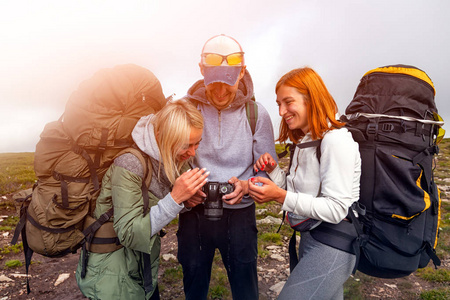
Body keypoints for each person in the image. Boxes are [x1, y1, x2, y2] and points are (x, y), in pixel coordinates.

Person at [176, 34, 278, 300]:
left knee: (245, 288)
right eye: (213, 84)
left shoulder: (257, 114)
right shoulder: (186, 110)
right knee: (194, 286)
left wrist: (248, 185)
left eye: (228, 84)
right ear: (202, 71)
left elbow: (266, 167)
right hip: (194, 211)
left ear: (242, 71)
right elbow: (172, 157)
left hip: (240, 213)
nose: (220, 93)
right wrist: (187, 186)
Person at [76, 100, 208, 300]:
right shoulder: (129, 164)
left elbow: (155, 206)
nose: (192, 152)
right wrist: (175, 199)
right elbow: (128, 233)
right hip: (112, 273)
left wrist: (185, 202)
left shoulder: (170, 159)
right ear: (160, 137)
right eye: (186, 145)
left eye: (197, 143)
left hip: (140, 266)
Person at [248, 67, 361, 300]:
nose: (281, 111)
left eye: (288, 102)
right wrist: (274, 171)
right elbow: (296, 191)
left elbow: (336, 208)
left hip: (334, 243)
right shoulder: (308, 140)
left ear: (312, 98)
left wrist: (279, 196)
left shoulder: (336, 140)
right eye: (278, 103)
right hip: (312, 237)